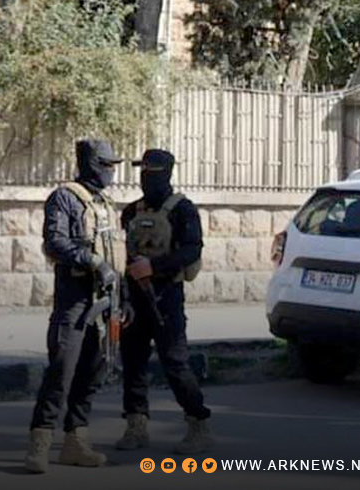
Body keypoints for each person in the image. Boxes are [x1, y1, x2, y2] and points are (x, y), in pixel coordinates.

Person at [24, 139, 127, 473]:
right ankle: (39, 445)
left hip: (104, 301)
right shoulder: (65, 197)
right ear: (90, 163)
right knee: (61, 373)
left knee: (91, 373)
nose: (111, 171)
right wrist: (93, 260)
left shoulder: (104, 202)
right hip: (75, 299)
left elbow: (117, 253)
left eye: (114, 165)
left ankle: (75, 441)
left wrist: (121, 299)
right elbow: (55, 241)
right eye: (106, 164)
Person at [115, 148, 213, 454]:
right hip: (134, 296)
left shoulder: (183, 210)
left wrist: (154, 267)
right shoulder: (132, 211)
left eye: (152, 172)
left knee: (175, 363)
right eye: (142, 172)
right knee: (132, 364)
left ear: (167, 173)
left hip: (166, 296)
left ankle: (198, 423)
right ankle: (136, 426)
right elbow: (125, 253)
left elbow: (191, 250)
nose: (146, 178)